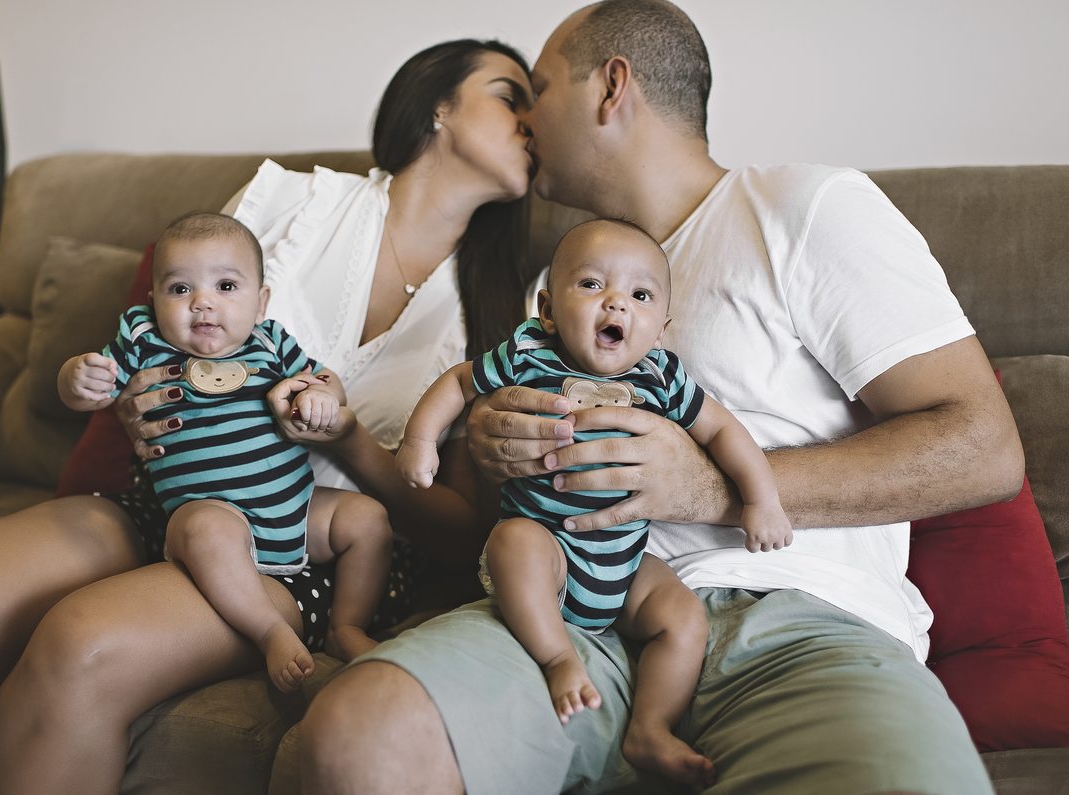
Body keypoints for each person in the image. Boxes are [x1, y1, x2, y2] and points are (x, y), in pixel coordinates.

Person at [298, 2, 1024, 795]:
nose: (526, 117)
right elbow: (484, 521)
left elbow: (984, 448)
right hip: (573, 616)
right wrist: (499, 455)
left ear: (611, 90)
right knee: (352, 734)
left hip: (798, 620)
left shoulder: (800, 207)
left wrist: (706, 487)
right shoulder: (553, 290)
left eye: (537, 88)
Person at [0, 39, 535, 795]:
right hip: (167, 496)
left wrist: (347, 438)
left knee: (82, 647)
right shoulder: (292, 201)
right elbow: (163, 333)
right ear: (438, 107)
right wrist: (128, 397)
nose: (531, 118)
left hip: (305, 545)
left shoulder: (510, 310)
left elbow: (456, 528)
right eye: (509, 94)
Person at [397, 218, 791, 785]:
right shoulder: (528, 354)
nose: (617, 304)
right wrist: (419, 441)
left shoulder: (663, 377)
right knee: (514, 541)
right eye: (591, 285)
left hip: (623, 568)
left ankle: (651, 727)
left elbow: (724, 431)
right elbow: (459, 383)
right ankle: (559, 657)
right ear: (549, 308)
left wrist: (761, 499)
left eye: (640, 295)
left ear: (661, 327)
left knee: (681, 618)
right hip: (546, 553)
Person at [60, 212, 392, 690]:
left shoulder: (271, 342)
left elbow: (327, 382)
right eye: (179, 290)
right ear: (153, 300)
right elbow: (91, 391)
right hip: (213, 513)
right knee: (204, 529)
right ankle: (270, 629)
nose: (202, 303)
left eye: (226, 287)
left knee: (368, 519)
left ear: (261, 303)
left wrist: (322, 395)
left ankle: (346, 627)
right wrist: (76, 377)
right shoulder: (143, 339)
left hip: (295, 511)